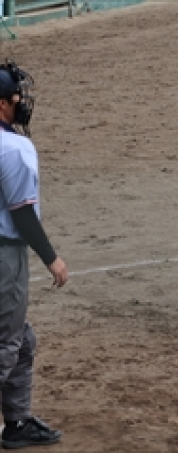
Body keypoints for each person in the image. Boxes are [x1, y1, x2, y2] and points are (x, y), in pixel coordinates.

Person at [0, 59, 67, 449]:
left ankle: (18, 422)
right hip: (5, 258)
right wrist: (51, 258)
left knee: (22, 340)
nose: (21, 102)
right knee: (7, 343)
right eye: (15, 97)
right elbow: (22, 213)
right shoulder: (14, 148)